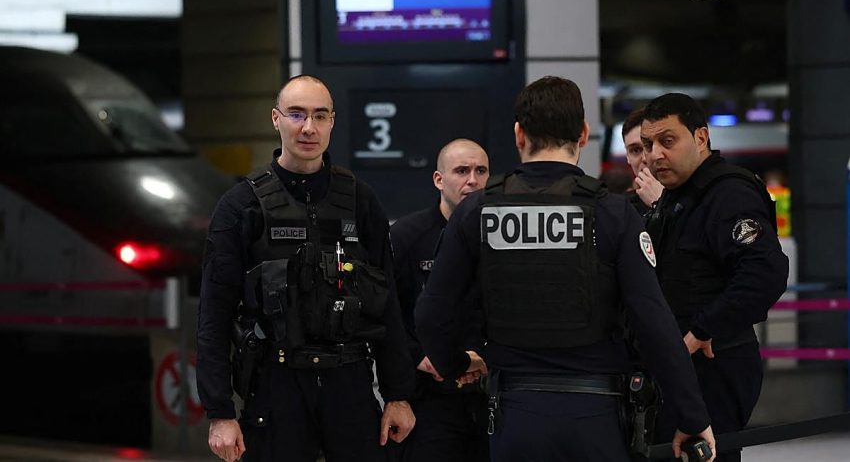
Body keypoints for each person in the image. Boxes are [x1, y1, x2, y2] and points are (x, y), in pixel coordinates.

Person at [415, 76, 715, 461]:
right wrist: (691, 414)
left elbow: (431, 314)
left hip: (514, 412)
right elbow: (654, 322)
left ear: (519, 134)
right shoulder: (612, 213)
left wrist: (456, 364)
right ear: (584, 133)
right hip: (597, 412)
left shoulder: (478, 210)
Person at [197, 74, 416, 462]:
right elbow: (214, 315)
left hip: (349, 382)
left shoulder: (360, 200)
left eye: (319, 116)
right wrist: (219, 413)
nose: (308, 128)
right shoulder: (240, 206)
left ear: (333, 121)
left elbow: (388, 305)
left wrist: (398, 394)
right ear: (276, 119)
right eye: (297, 115)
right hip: (275, 387)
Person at [640, 93, 789, 462]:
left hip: (714, 366)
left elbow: (765, 274)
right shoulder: (678, 197)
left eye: (667, 140)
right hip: (682, 366)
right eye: (648, 144)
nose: (654, 154)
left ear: (701, 138)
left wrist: (703, 329)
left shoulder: (728, 193)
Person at [390, 138, 491, 462]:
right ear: (439, 179)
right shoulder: (407, 236)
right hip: (428, 397)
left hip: (488, 394)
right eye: (462, 171)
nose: (472, 180)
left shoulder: (503, 236)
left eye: (480, 171)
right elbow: (383, 312)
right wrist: (418, 354)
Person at [622, 107, 664, 214]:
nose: (645, 158)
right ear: (627, 156)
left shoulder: (697, 201)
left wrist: (659, 203)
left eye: (650, 146)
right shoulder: (618, 209)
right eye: (635, 150)